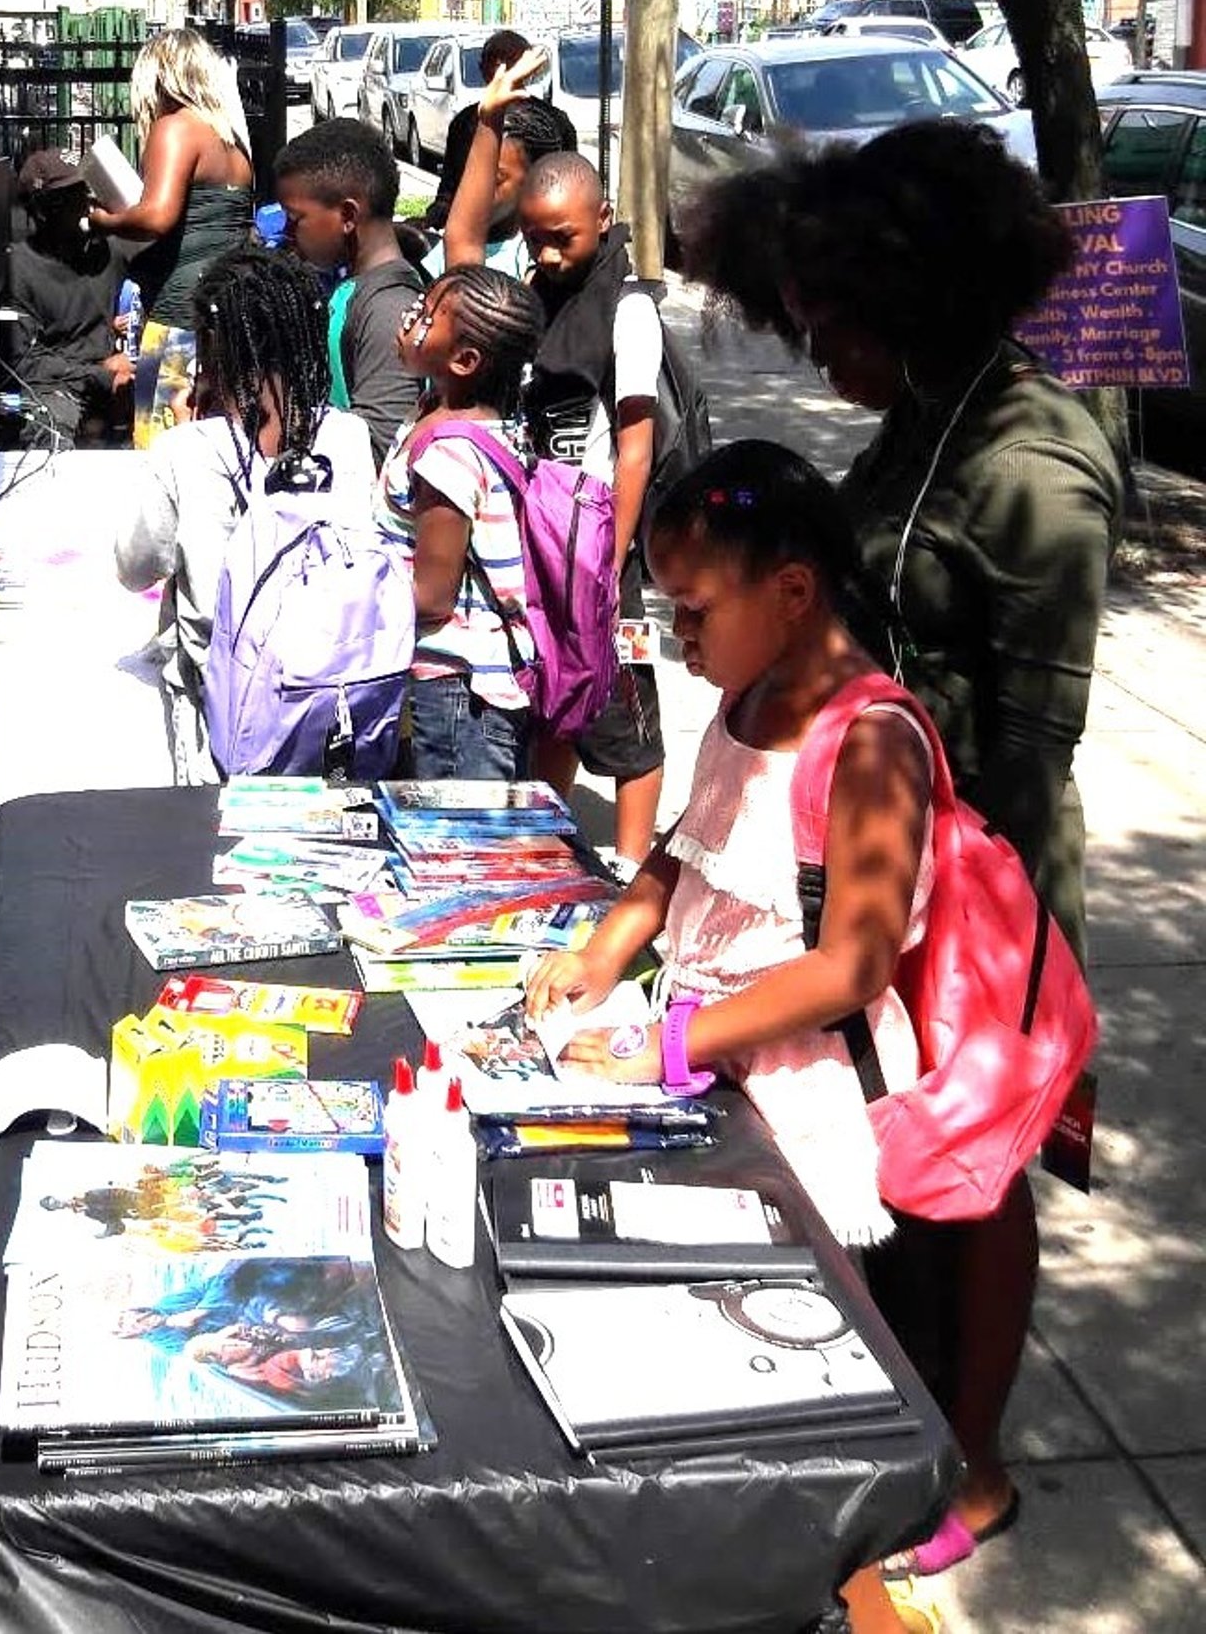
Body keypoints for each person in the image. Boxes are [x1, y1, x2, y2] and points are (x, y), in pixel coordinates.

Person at [679, 120, 1124, 1576]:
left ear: (910, 296)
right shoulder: (932, 410)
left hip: (976, 875)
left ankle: (978, 1464)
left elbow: (1022, 746)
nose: (814, 364)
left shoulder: (1037, 469)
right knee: (894, 1151)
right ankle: (904, 1400)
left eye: (831, 331)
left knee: (975, 1169)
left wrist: (893, 819)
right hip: (883, 834)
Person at [523, 440, 934, 1634]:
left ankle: (846, 1588)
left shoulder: (872, 743)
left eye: (694, 608)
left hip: (803, 1098)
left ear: (793, 595)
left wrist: (676, 1042)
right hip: (712, 1061)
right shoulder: (746, 703)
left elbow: (852, 962)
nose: (678, 636)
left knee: (806, 1373)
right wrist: (607, 951)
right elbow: (679, 853)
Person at [444, 49, 670, 876]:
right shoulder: (529, 293)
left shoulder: (629, 309)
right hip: (539, 538)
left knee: (622, 711)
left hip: (602, 550)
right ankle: (547, 840)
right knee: (550, 700)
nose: (543, 255)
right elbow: (464, 239)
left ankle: (631, 866)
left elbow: (636, 442)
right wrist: (489, 121)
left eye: (562, 239)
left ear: (603, 219)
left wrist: (609, 571)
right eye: (535, 239)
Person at [114, 246, 375, 783]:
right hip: (329, 700)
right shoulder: (347, 438)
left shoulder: (186, 450)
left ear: (213, 352)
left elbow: (135, 566)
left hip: (221, 706)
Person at [374, 265, 545, 780]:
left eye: (427, 316)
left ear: (465, 360)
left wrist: (346, 599)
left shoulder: (449, 452)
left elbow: (432, 594)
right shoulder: (455, 417)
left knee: (455, 843)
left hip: (457, 692)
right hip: (456, 686)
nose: (410, 319)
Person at [90, 28, 255, 448]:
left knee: (165, 452)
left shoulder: (176, 127)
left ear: (157, 77)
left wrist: (103, 220)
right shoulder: (231, 139)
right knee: (218, 446)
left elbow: (157, 218)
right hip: (227, 313)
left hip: (179, 316)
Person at [273, 118, 426, 466]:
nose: (285, 232)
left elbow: (381, 447)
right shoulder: (352, 290)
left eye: (295, 219)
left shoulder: (388, 308)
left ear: (347, 215)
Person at [2, 148, 133, 448]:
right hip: (55, 387)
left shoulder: (107, 252)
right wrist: (100, 374)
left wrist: (131, 320)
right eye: (70, 197)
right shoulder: (16, 269)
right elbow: (23, 362)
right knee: (47, 424)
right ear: (43, 210)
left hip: (116, 372)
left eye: (84, 190)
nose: (85, 204)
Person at [421, 30, 577, 231]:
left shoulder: (554, 122)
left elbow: (570, 187)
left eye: (510, 61)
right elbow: (448, 192)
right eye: (496, 61)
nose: (502, 69)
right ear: (482, 67)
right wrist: (432, 220)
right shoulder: (463, 123)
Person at [418, 98, 573, 282]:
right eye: (468, 175)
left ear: (535, 178)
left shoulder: (535, 257)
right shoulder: (438, 251)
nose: (476, 188)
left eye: (494, 178)